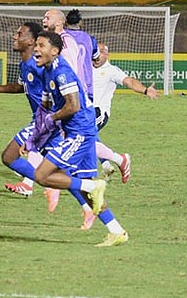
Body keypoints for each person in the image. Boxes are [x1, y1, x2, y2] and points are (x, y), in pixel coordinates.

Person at [25, 31, 128, 247]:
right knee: (84, 187)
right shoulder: (46, 72)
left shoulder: (62, 73)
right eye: (36, 45)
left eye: (41, 46)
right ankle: (116, 231)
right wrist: (35, 137)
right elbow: (44, 108)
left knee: (42, 175)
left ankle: (93, 187)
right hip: (78, 131)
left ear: (54, 51)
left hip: (80, 132)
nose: (36, 49)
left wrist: (51, 119)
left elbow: (73, 106)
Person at [0, 21, 61, 211]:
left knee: (9, 156)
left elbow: (55, 91)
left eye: (20, 34)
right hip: (43, 121)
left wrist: (49, 120)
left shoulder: (39, 67)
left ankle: (51, 185)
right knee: (66, 171)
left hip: (46, 121)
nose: (15, 36)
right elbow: (21, 86)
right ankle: (90, 196)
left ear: (31, 42)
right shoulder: (26, 64)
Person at [93, 42, 159, 183]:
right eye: (96, 52)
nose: (98, 55)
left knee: (78, 135)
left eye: (102, 52)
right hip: (83, 111)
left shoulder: (111, 70)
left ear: (107, 54)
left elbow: (129, 81)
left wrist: (146, 90)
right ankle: (109, 163)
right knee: (82, 137)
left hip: (99, 113)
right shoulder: (85, 67)